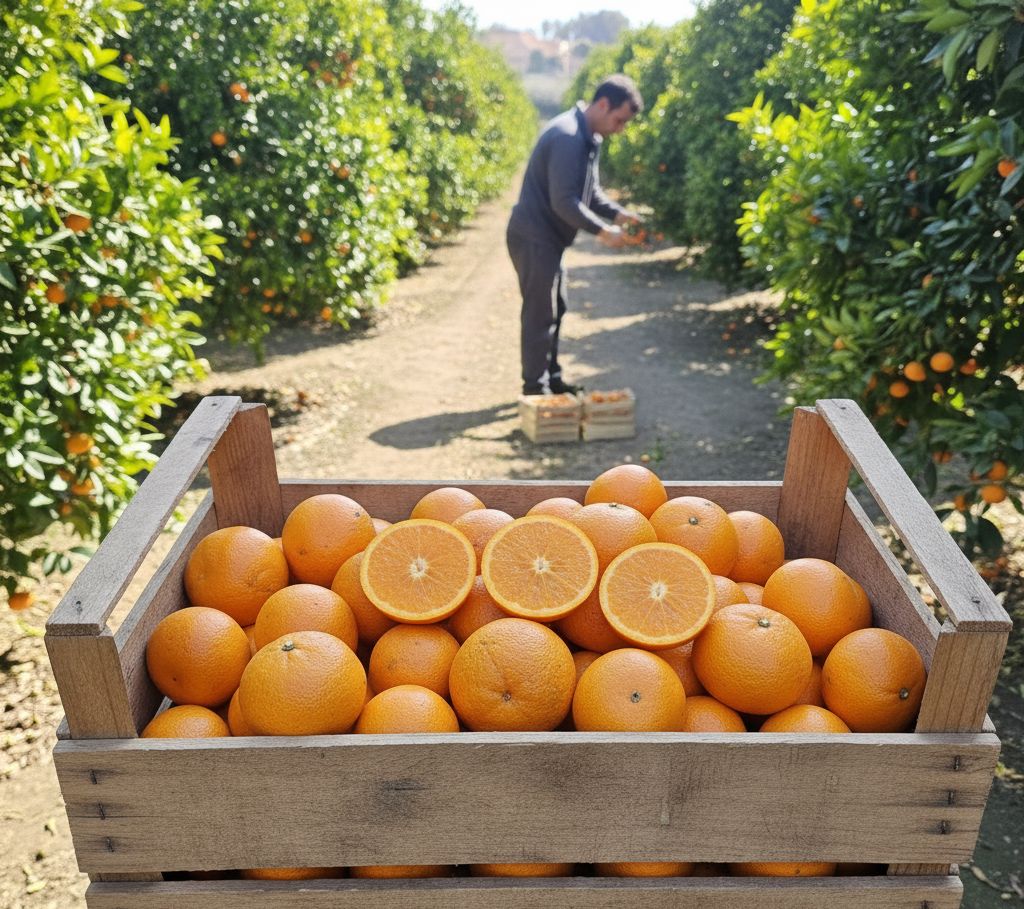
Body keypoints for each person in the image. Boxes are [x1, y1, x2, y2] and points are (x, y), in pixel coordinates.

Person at [507, 74, 645, 397]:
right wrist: (602, 231)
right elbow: (564, 200)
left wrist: (618, 214)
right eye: (619, 119)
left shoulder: (587, 138)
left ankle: (550, 379)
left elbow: (589, 192)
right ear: (602, 104)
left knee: (557, 307)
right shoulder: (568, 137)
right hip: (534, 237)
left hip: (549, 240)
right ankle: (535, 390)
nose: (620, 128)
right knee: (540, 313)